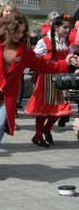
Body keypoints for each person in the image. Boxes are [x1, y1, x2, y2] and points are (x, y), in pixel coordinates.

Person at [0, 12, 77, 180]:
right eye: (16, 31)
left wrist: (65, 64)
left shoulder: (24, 50)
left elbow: (42, 65)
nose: (19, 35)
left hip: (7, 95)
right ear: (7, 29)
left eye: (22, 32)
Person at [24, 15, 73, 146]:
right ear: (56, 27)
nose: (67, 30)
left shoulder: (63, 41)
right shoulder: (45, 41)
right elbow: (36, 59)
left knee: (61, 108)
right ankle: (38, 135)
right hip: (47, 78)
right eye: (65, 27)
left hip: (62, 78)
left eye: (69, 27)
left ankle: (46, 129)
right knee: (44, 109)